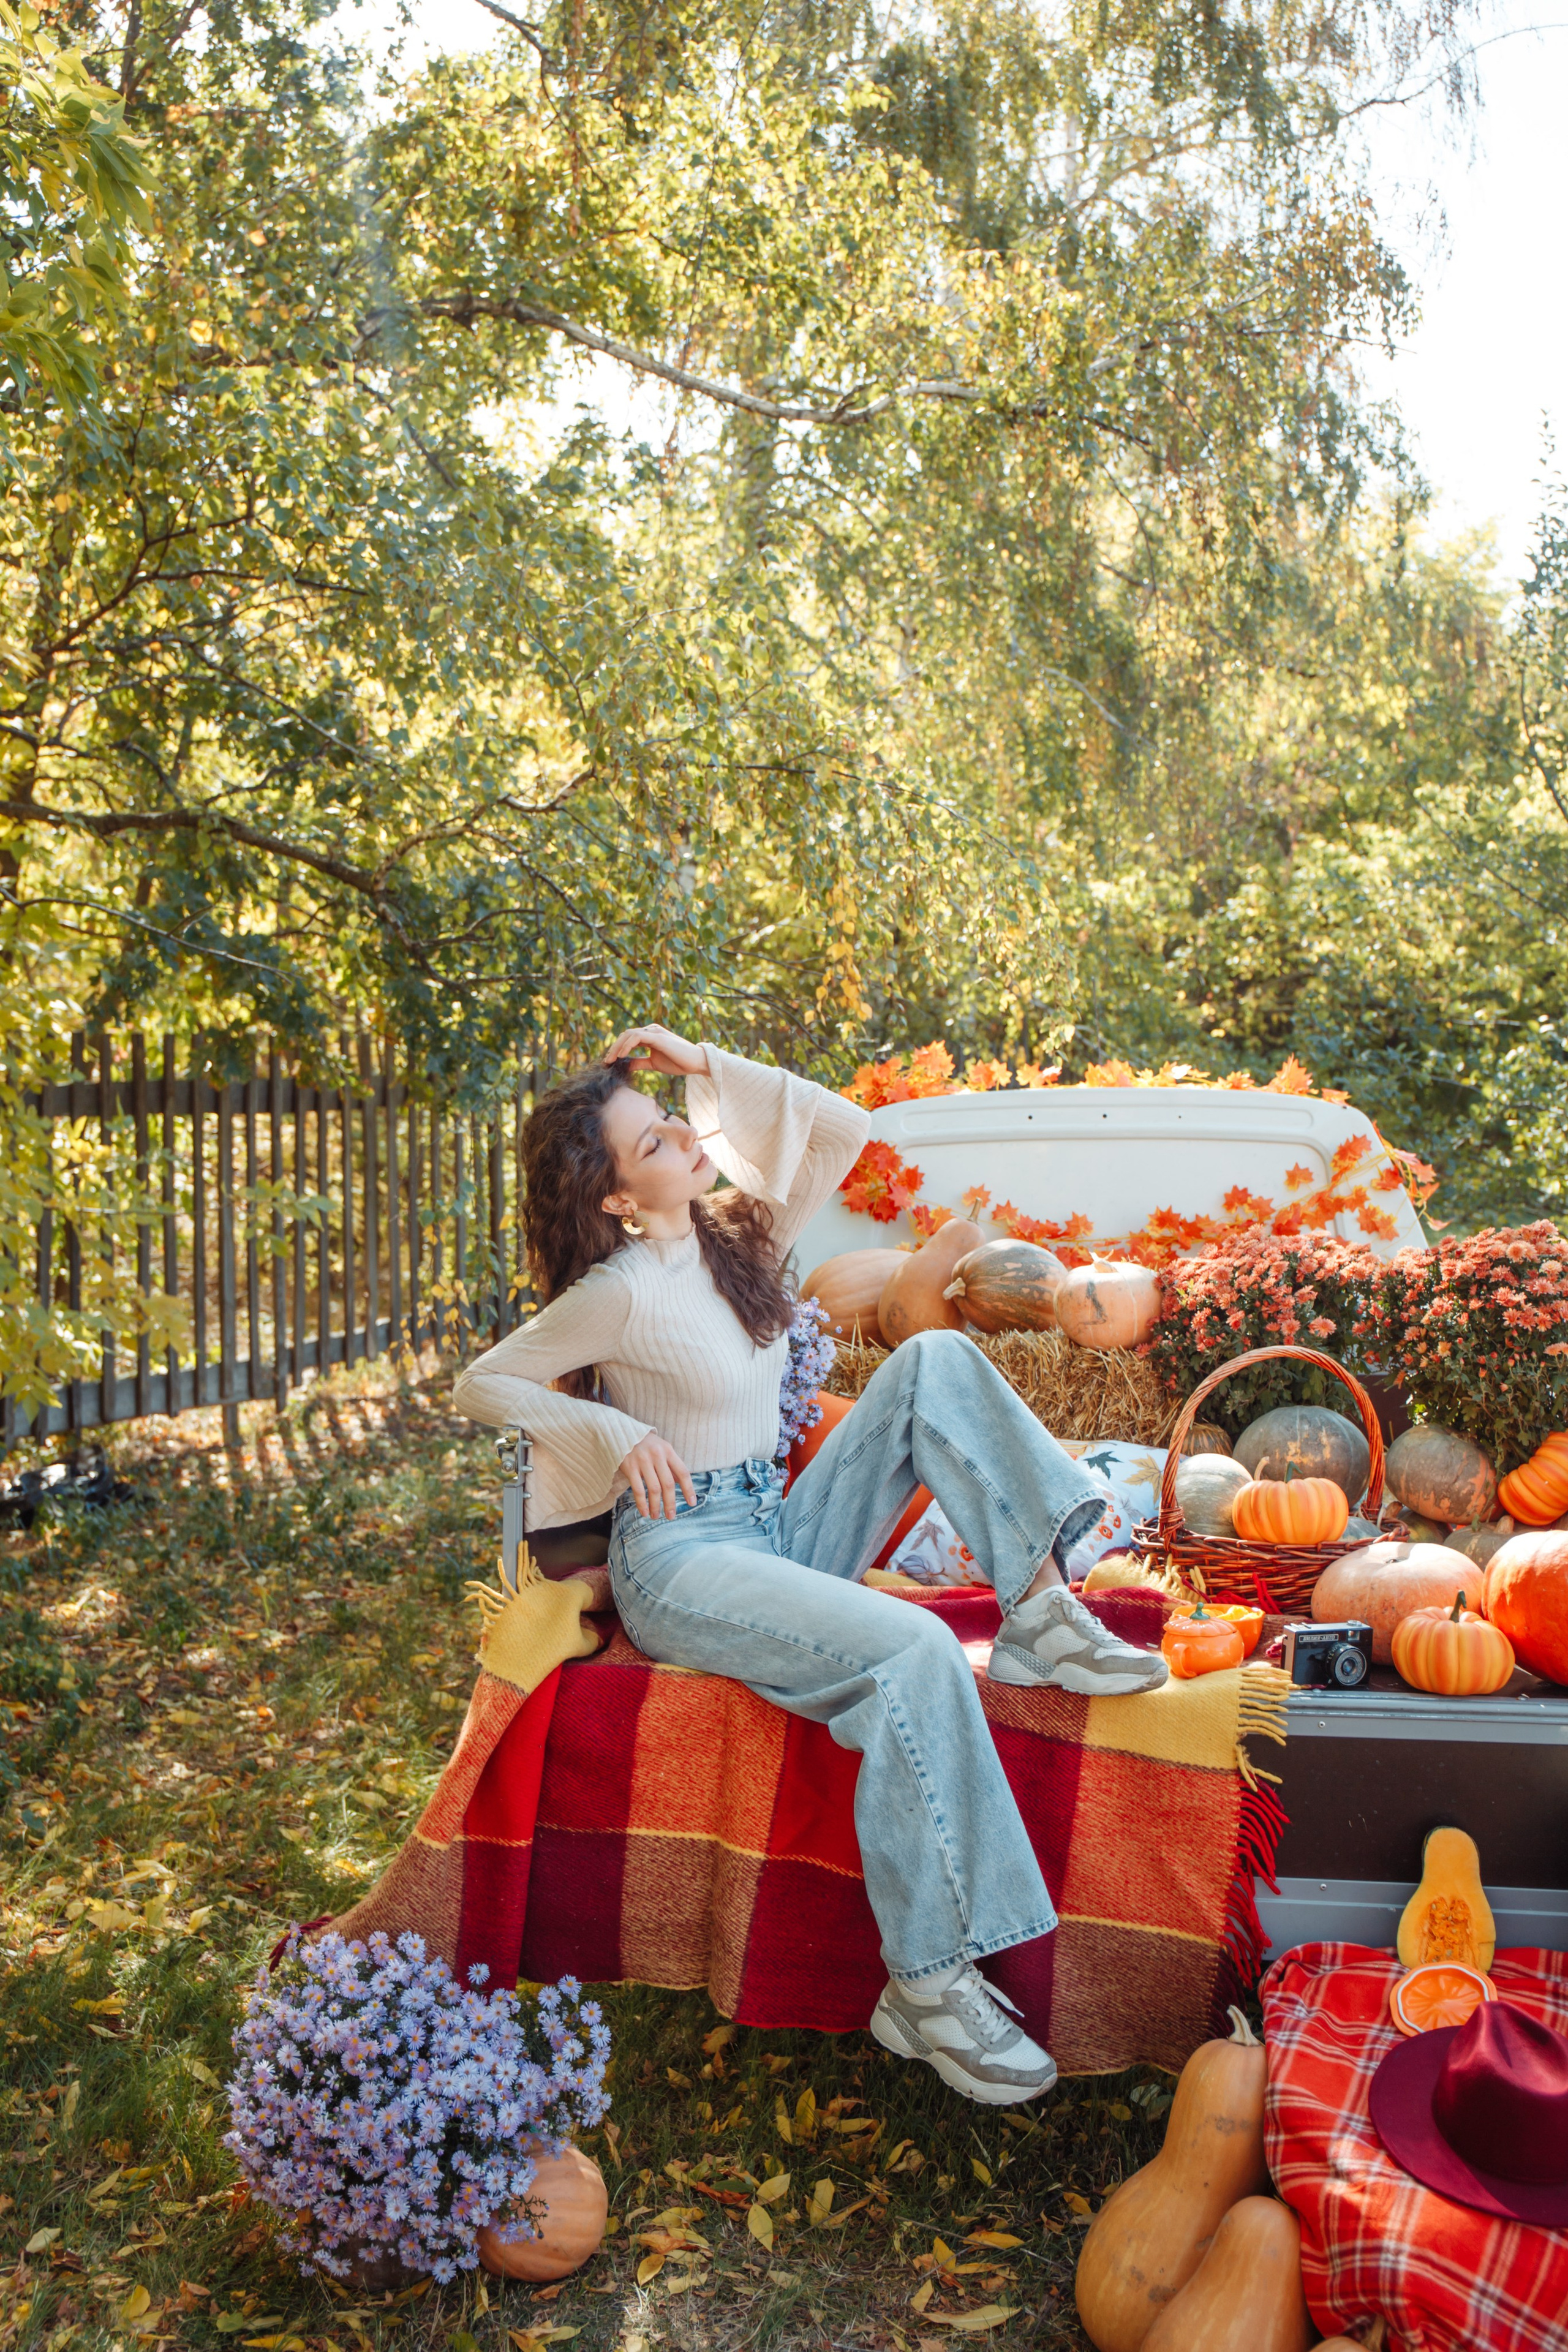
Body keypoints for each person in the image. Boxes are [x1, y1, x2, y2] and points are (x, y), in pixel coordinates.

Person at [454, 1025, 1167, 2105]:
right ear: (614, 1197)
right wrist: (613, 1433)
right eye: (655, 1142)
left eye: (673, 1122)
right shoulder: (620, 1291)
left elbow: (842, 1128)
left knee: (933, 1357)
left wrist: (700, 1061)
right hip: (684, 1557)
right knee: (915, 1651)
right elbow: (484, 1383)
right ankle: (927, 1984)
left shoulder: (735, 1239)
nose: (686, 1138)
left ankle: (1036, 1610)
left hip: (774, 1524)